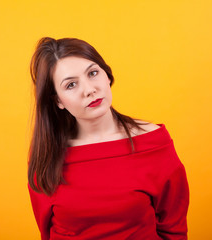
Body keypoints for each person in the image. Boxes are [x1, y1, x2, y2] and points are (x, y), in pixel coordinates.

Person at [27, 37, 189, 240]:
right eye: (71, 85)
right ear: (58, 101)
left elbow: (174, 229)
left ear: (107, 75)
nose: (89, 90)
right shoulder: (47, 155)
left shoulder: (154, 143)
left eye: (93, 73)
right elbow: (46, 232)